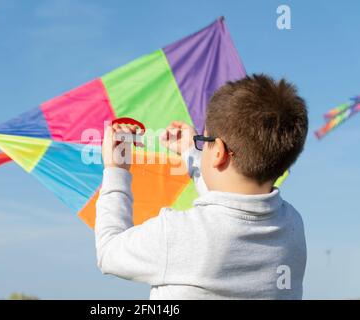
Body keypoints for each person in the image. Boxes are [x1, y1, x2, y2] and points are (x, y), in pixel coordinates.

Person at [95, 74, 308, 299]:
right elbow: (231, 211)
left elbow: (108, 251)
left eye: (203, 142)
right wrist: (192, 152)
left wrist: (116, 170)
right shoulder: (292, 226)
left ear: (218, 152)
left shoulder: (175, 233)